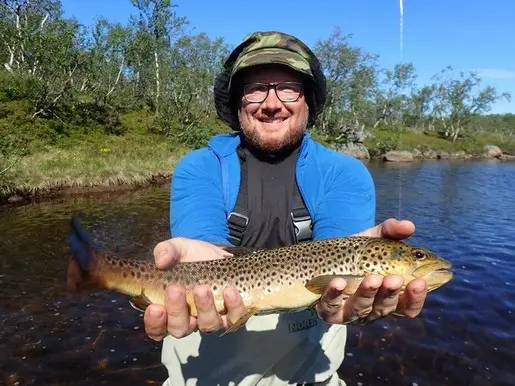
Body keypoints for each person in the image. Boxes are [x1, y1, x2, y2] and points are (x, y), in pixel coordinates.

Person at [143, 31, 428, 386]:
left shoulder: (345, 173)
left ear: (309, 100)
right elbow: (201, 265)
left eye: (288, 88)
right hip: (207, 345)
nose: (272, 103)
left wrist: (346, 296)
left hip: (309, 359)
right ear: (236, 102)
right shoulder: (200, 167)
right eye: (255, 88)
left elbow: (336, 290)